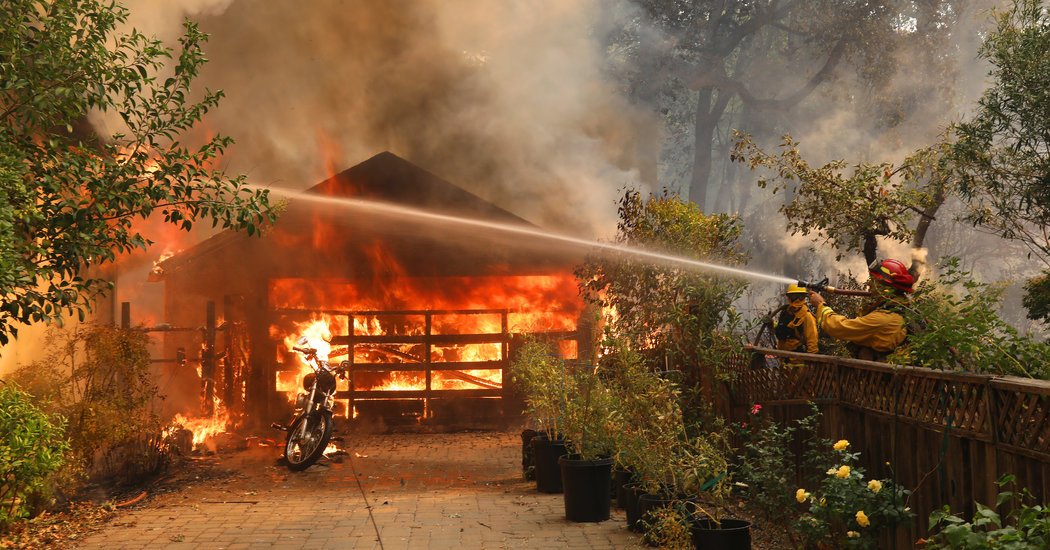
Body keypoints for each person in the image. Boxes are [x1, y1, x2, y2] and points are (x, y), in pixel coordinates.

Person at [808, 258, 915, 361]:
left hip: (880, 377)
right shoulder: (901, 310)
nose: (869, 284)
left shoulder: (884, 319)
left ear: (886, 288)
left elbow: (839, 328)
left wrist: (820, 305)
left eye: (874, 281)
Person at [773, 283, 819, 354]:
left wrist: (812, 360)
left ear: (804, 297)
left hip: (798, 361)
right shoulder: (785, 312)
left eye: (801, 296)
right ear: (789, 297)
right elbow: (782, 329)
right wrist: (771, 324)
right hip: (784, 359)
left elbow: (812, 341)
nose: (797, 299)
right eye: (795, 296)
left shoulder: (807, 316)